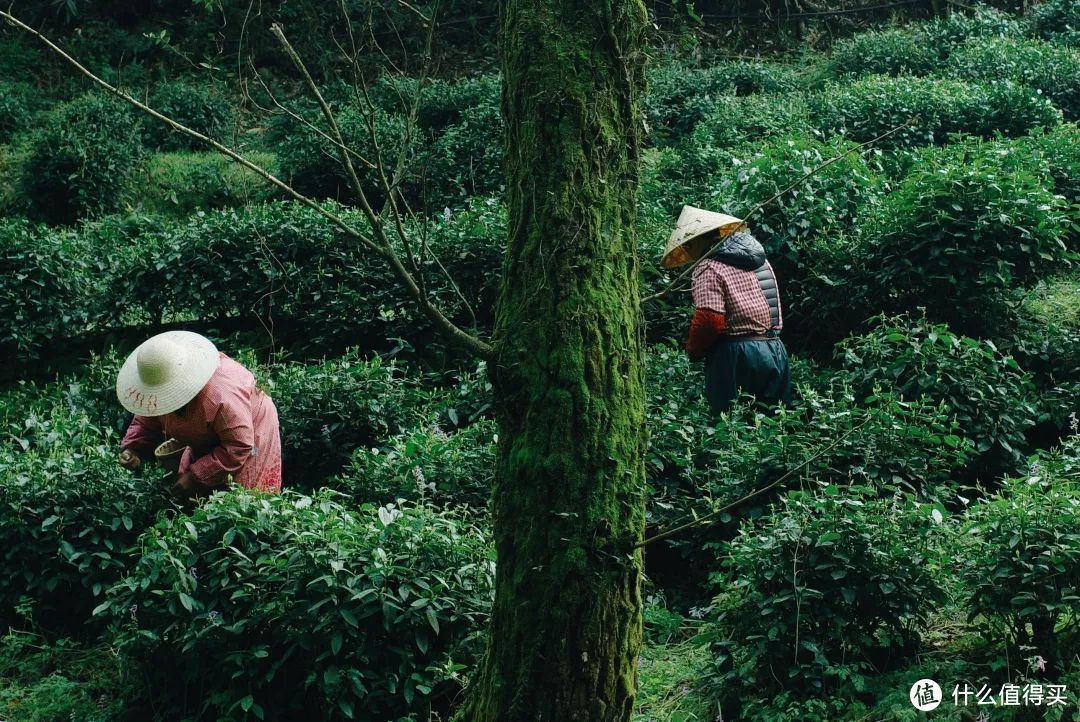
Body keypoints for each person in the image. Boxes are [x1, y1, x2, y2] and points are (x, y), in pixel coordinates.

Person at [115, 330, 282, 500]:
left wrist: (196, 476)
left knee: (245, 498)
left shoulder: (219, 395)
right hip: (210, 432)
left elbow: (239, 446)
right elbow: (147, 418)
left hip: (251, 428)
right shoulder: (155, 393)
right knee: (196, 497)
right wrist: (133, 448)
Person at [662, 205, 793, 415]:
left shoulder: (708, 267)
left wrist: (694, 351)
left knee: (732, 424)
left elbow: (709, 320)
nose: (687, 251)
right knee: (773, 423)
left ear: (699, 240)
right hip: (774, 349)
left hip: (736, 356)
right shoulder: (760, 260)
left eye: (687, 245)